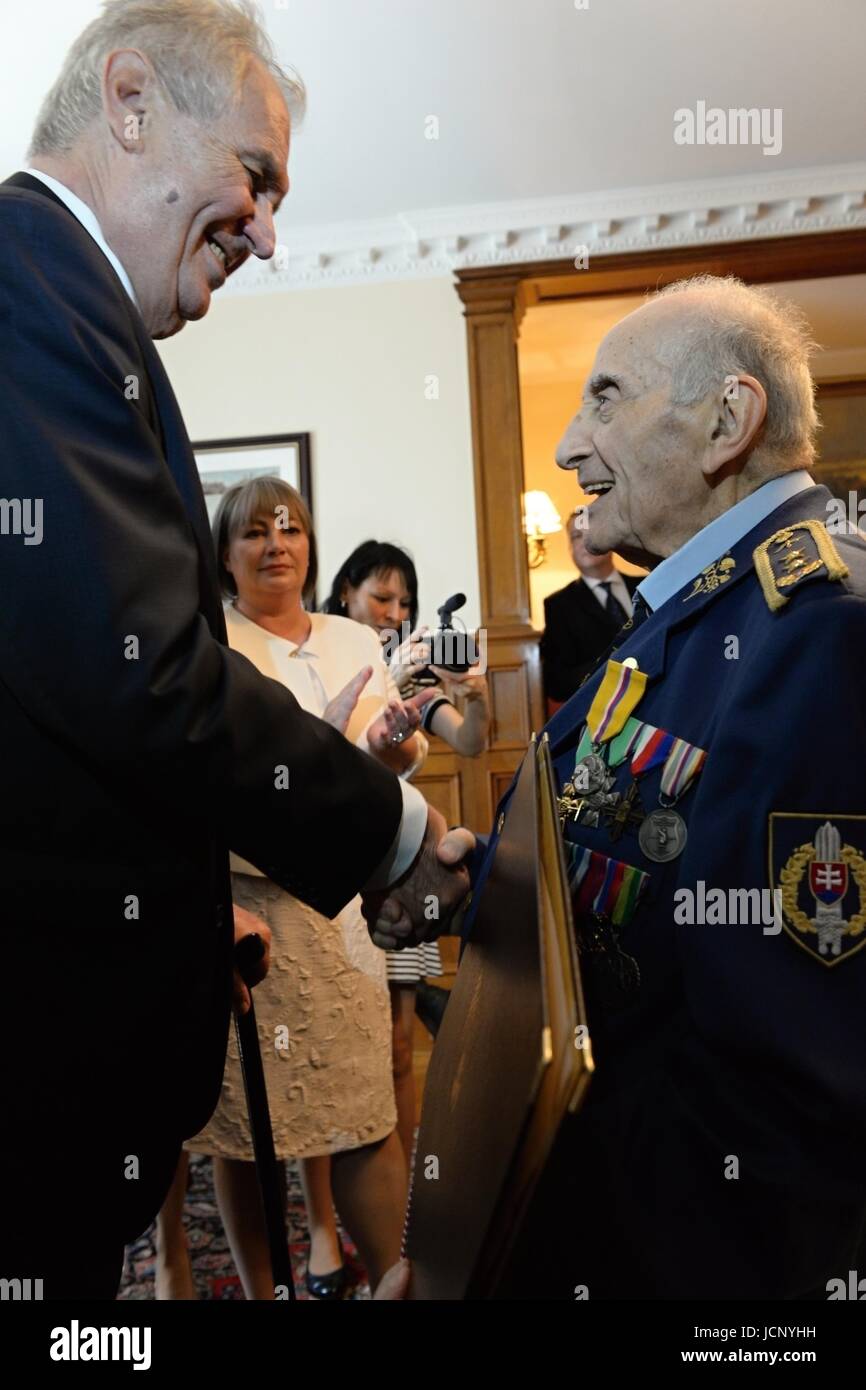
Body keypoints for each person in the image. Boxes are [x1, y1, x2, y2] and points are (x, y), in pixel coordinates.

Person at [0, 0, 466, 1299]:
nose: (269, 232)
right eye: (255, 180)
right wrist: (392, 834)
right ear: (130, 100)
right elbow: (138, 666)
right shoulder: (24, 283)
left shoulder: (68, 303)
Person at [371, 275, 866, 1300]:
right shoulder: (692, 599)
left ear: (727, 420)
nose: (563, 446)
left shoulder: (814, 624)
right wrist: (480, 893)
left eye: (605, 396)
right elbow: (615, 858)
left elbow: (777, 1090)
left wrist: (525, 1245)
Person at [156, 478, 425, 1300]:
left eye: (292, 528)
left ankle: (394, 1281)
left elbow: (387, 762)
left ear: (311, 545)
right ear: (223, 554)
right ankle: (262, 1287)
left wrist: (385, 743)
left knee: (362, 1113)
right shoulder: (206, 644)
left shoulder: (354, 637)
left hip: (342, 914)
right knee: (251, 1135)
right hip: (253, 914)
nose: (277, 544)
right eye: (254, 533)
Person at [325, 542, 490, 1160]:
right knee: (329, 1045)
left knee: (397, 1044)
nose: (394, 612)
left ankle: (412, 1179)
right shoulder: (317, 655)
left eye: (405, 602)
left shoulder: (415, 666)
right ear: (346, 591)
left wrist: (468, 691)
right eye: (381, 597)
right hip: (329, 875)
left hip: (401, 870)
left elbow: (472, 743)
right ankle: (319, 1209)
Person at [540, 512, 641, 712]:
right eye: (576, 535)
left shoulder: (646, 585)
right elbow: (558, 683)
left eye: (591, 532)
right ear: (570, 547)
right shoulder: (558, 606)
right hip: (601, 711)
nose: (585, 540)